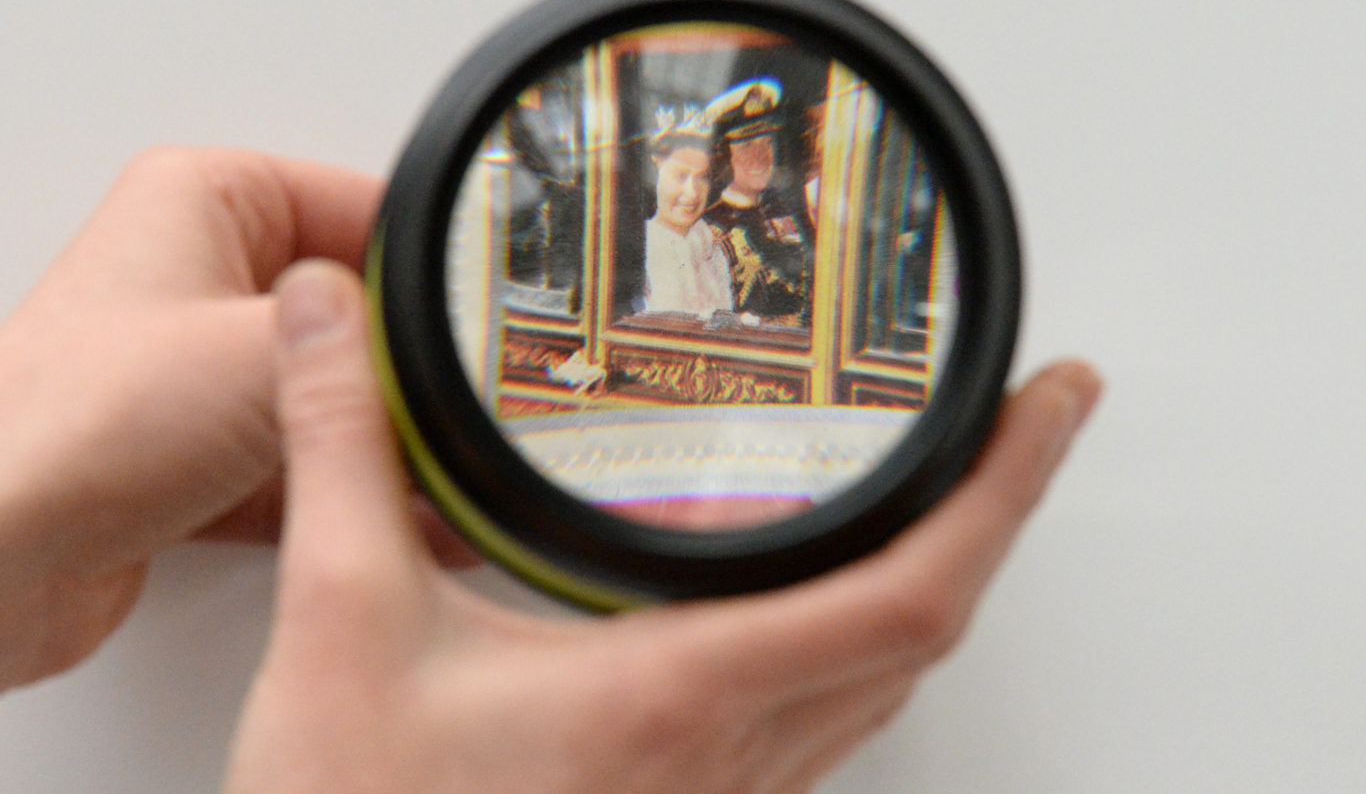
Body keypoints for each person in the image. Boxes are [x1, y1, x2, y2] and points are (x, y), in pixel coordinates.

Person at [0, 147, 1101, 792]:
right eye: (672, 182)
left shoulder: (718, 241)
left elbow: (719, 312)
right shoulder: (639, 254)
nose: (687, 196)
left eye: (697, 183)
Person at [702, 78, 815, 327]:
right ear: (724, 158)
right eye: (746, 146)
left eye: (767, 143)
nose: (761, 157)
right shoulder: (707, 229)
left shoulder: (782, 213)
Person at [642, 113, 733, 317]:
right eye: (680, 176)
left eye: (702, 177)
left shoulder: (709, 245)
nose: (692, 192)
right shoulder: (641, 249)